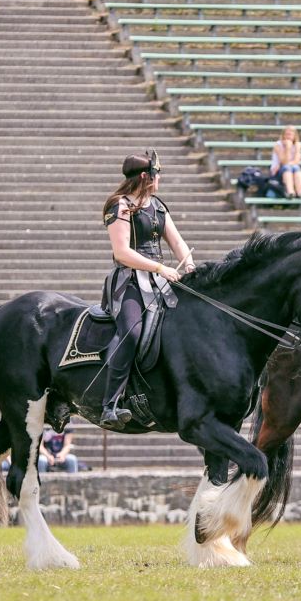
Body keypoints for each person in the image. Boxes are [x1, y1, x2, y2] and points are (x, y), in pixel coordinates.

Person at [101, 151, 194, 428]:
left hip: (160, 281)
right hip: (129, 282)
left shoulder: (158, 205)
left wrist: (190, 266)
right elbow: (121, 253)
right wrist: (158, 268)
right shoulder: (119, 206)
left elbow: (177, 243)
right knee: (132, 331)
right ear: (145, 176)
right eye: (157, 173)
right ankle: (110, 404)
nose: (159, 178)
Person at [270, 124, 301, 198]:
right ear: (283, 135)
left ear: (294, 136)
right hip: (278, 172)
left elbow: (296, 161)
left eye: (290, 134)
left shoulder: (297, 145)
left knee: (296, 168)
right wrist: (288, 149)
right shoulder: (278, 145)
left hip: (292, 170)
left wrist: (297, 150)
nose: (288, 136)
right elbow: (284, 162)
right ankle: (290, 192)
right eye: (286, 134)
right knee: (287, 167)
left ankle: (300, 192)